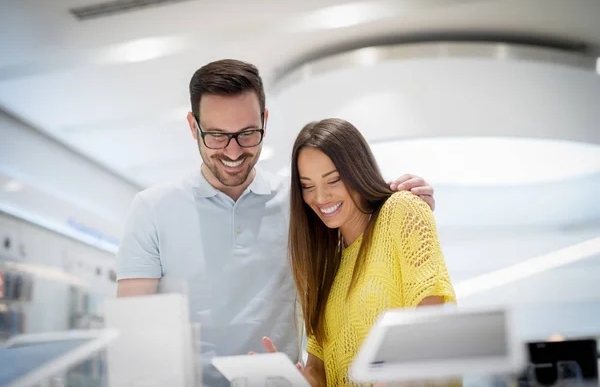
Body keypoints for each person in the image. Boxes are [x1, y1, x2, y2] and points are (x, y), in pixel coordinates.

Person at [115, 59, 438, 387]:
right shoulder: (151, 209)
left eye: (247, 134)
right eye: (216, 136)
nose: (233, 150)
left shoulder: (301, 202)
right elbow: (133, 336)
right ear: (192, 126)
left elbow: (364, 249)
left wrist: (402, 205)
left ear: (265, 122)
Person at [275, 118, 456, 386]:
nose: (321, 197)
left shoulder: (403, 210)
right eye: (308, 186)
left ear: (357, 170)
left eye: (333, 180)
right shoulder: (324, 265)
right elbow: (318, 369)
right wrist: (288, 380)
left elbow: (431, 321)